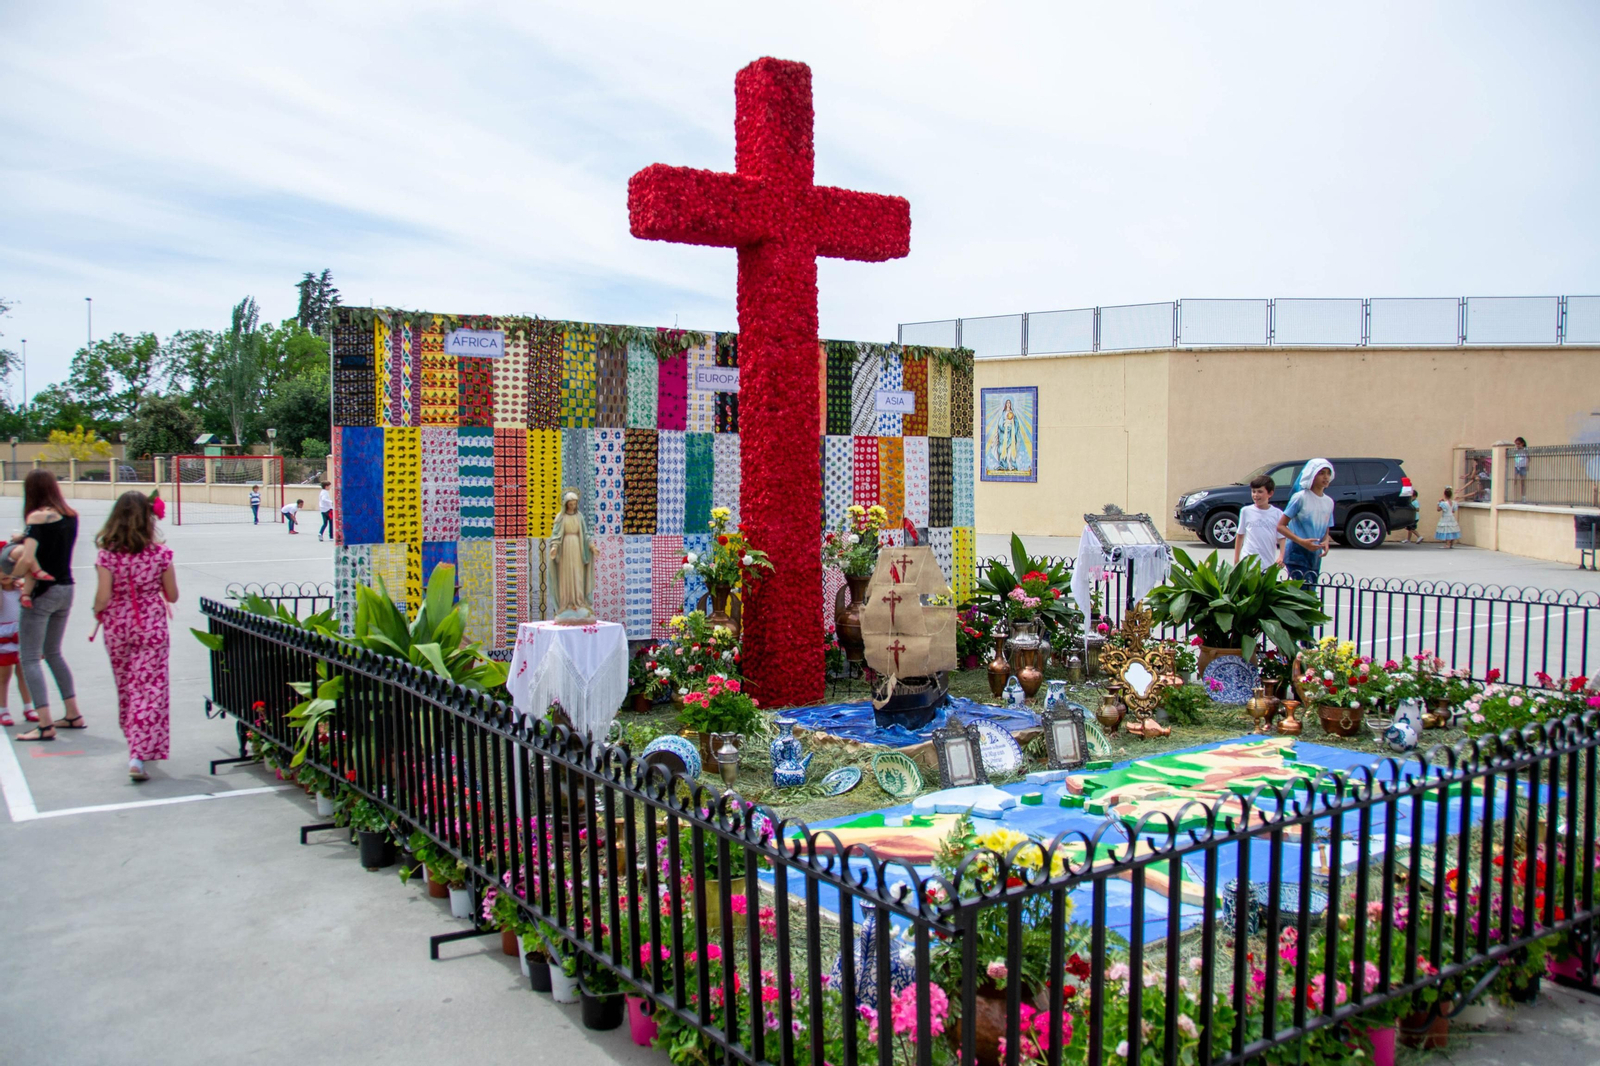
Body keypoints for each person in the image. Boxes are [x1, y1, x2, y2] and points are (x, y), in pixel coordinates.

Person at [93, 492, 178, 782]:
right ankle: (139, 753)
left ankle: (134, 745)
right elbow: (172, 594)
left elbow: (102, 597)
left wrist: (98, 611)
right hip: (151, 624)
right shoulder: (160, 554)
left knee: (127, 685)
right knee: (150, 687)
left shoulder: (107, 554)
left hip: (118, 624)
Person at [11, 470, 85, 743]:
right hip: (66, 588)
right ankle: (73, 713)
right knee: (53, 653)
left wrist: (13, 577)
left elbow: (28, 558)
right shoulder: (70, 515)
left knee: (29, 657)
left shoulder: (37, 517)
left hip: (43, 592)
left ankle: (44, 724)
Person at [1276, 459, 1335, 584]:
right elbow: (1281, 526)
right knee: (1303, 592)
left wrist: (1325, 541)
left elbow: (1326, 527)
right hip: (1296, 554)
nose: (1325, 477)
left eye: (1328, 473)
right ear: (1312, 474)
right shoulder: (1300, 498)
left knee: (1310, 591)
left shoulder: (1329, 502)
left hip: (1315, 555)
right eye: (1321, 473)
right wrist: (1301, 542)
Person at [549, 490, 594, 623]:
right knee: (566, 576)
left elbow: (585, 534)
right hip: (565, 549)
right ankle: (566, 604)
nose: (573, 507)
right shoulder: (560, 517)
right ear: (566, 504)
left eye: (575, 504)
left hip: (577, 548)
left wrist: (591, 546)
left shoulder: (579, 517)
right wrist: (554, 547)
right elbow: (556, 535)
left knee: (578, 575)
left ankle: (579, 603)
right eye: (571, 504)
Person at [0, 561, 34, 728]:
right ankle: (3, 709)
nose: (4, 574)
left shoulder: (20, 589)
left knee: (24, 674)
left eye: (7, 570)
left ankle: (28, 707)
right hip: (3, 638)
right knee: (3, 677)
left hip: (20, 635)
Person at [1233, 474, 1285, 573]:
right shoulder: (1246, 511)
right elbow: (1240, 535)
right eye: (1253, 491)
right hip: (1248, 562)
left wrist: (1281, 556)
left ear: (1270, 493)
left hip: (1267, 563)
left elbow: (1282, 537)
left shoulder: (1277, 514)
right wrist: (1236, 558)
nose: (1256, 495)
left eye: (1260, 492)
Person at [1512, 437, 1529, 501]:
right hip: (1517, 467)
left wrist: (1527, 466)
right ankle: (1514, 496)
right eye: (1516, 444)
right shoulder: (1516, 450)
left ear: (1522, 443)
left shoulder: (1525, 450)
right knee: (1514, 480)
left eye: (1519, 444)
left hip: (1523, 467)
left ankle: (1523, 497)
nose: (1517, 445)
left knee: (1523, 482)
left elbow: (1528, 458)